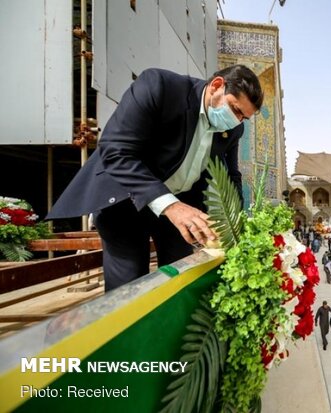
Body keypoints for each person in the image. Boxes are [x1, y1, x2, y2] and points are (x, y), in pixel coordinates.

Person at [47, 65, 264, 291]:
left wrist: (236, 220)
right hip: (126, 198)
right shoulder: (161, 87)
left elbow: (231, 175)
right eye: (235, 109)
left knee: (181, 277)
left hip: (179, 207)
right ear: (216, 85)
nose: (237, 121)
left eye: (243, 118)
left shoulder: (233, 129)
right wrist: (171, 206)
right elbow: (115, 151)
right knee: (130, 287)